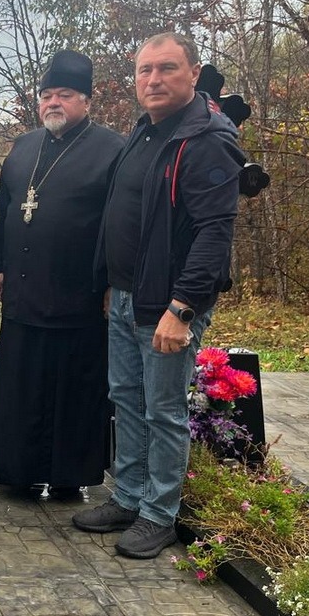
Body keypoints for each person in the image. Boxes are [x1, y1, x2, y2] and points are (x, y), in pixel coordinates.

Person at [72, 32, 245, 559]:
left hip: (168, 306)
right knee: (126, 400)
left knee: (163, 409)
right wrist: (109, 283)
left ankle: (158, 513)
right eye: (145, 70)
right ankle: (128, 496)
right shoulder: (146, 132)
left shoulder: (208, 138)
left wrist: (182, 309)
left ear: (194, 73)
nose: (153, 79)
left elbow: (216, 232)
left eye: (167, 68)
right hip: (126, 297)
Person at [0, 51, 125, 496]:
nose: (53, 103)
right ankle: (15, 470)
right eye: (46, 95)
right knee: (20, 387)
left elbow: (117, 223)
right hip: (23, 294)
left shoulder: (112, 149)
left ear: (85, 100)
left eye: (64, 94)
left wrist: (109, 282)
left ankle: (68, 477)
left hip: (78, 297)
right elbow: (5, 211)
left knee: (74, 392)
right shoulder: (25, 146)